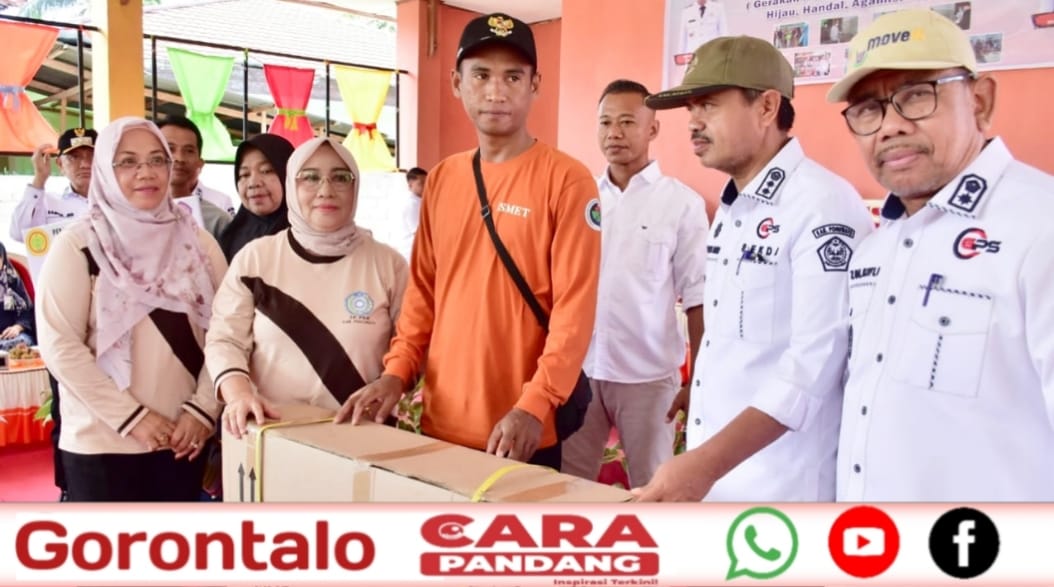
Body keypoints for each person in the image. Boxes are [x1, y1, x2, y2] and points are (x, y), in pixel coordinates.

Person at [334, 12, 601, 470]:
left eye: (513, 77)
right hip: (441, 422)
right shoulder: (443, 179)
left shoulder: (567, 180)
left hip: (521, 429)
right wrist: (396, 373)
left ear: (535, 85)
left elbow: (574, 312)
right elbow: (423, 294)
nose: (496, 92)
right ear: (457, 83)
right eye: (481, 75)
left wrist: (536, 404)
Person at [633, 36, 873, 502]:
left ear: (766, 107)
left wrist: (706, 463)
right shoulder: (734, 207)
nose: (694, 123)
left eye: (709, 105)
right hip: (715, 476)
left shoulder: (822, 206)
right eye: (691, 110)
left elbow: (814, 365)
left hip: (780, 488)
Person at [827, 9, 1054, 501]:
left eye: (915, 95)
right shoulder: (874, 249)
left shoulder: (1041, 227)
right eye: (867, 109)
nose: (890, 126)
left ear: (980, 101)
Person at [35, 117, 227, 501]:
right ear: (106, 170)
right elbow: (60, 346)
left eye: (157, 159)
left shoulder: (199, 244)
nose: (146, 172)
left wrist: (203, 410)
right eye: (127, 161)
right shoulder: (79, 246)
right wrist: (132, 418)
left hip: (181, 437)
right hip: (101, 443)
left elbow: (227, 335)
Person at [206, 137, 408, 437]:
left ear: (355, 187)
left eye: (341, 177)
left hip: (362, 435)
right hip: (273, 433)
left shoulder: (388, 264)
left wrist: (395, 382)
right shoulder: (257, 258)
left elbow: (411, 343)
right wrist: (238, 395)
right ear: (291, 185)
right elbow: (225, 339)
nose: (326, 190)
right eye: (310, 177)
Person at [562, 79, 708, 488]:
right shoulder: (579, 196)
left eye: (627, 122)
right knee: (569, 486)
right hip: (580, 372)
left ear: (652, 129)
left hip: (648, 378)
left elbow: (698, 297)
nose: (614, 133)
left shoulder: (681, 203)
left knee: (654, 489)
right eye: (605, 122)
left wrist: (698, 379)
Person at [217, 134, 295, 262]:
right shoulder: (230, 238)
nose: (253, 183)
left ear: (289, 175)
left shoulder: (308, 240)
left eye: (266, 171)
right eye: (244, 174)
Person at [9, 128, 96, 242]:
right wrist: (39, 178)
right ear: (60, 164)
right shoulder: (47, 202)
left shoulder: (115, 200)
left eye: (91, 156)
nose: (85, 164)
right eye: (74, 157)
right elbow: (19, 234)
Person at [158, 115, 236, 240]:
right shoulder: (131, 215)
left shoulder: (218, 221)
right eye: (170, 149)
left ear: (200, 163)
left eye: (189, 151)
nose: (179, 158)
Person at [0, 242, 34, 350]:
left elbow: (26, 311)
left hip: (12, 337)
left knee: (21, 342)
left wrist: (17, 327)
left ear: (3, 260)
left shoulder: (11, 282)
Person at [393, 167, 427, 261]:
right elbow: (418, 232)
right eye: (421, 183)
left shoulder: (420, 201)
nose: (426, 186)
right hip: (411, 252)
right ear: (410, 185)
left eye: (427, 182)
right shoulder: (412, 204)